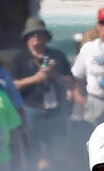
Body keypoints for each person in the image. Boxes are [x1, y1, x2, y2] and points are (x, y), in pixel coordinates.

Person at [12, 16, 73, 157]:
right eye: (33, 34)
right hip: (31, 111)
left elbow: (71, 83)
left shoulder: (57, 56)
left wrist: (55, 76)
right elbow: (13, 86)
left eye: (40, 34)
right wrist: (35, 78)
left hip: (55, 111)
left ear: (46, 37)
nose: (37, 37)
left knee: (58, 151)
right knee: (32, 152)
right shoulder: (20, 58)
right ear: (27, 38)